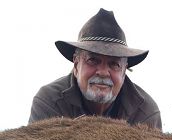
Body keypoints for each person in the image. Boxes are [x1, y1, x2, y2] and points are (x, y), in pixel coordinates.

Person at [28, 8, 162, 129]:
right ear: (76, 64)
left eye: (114, 64)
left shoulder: (146, 113)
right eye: (92, 60)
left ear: (124, 71)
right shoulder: (49, 101)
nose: (103, 72)